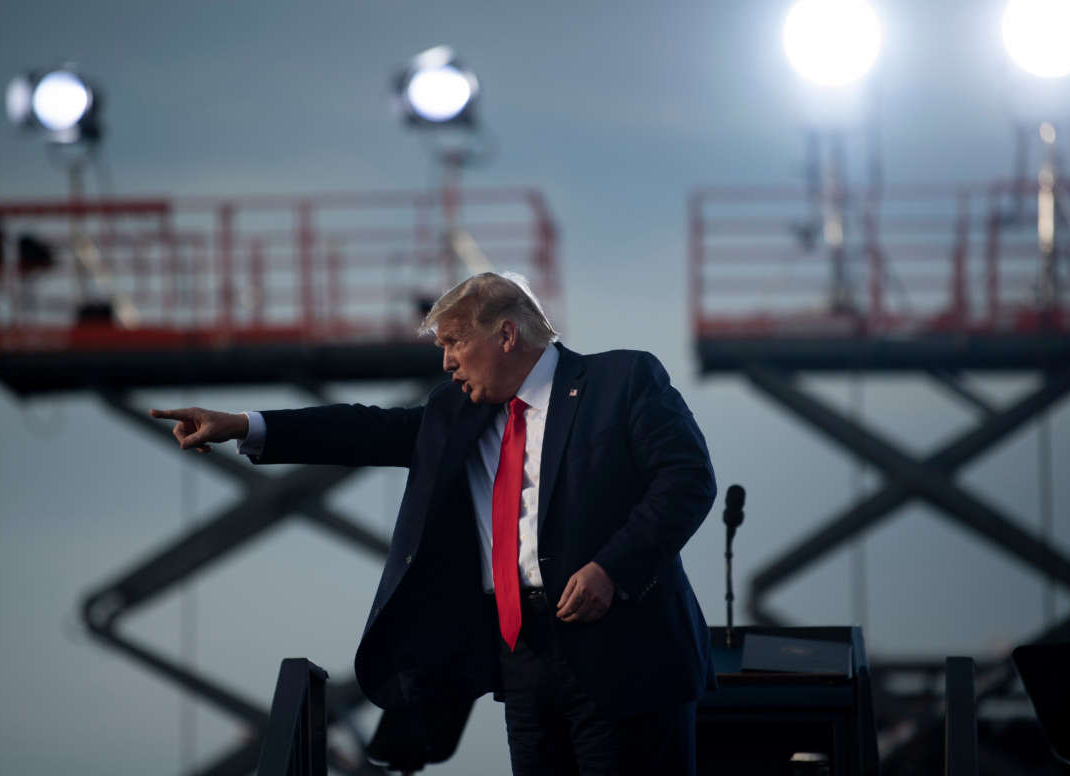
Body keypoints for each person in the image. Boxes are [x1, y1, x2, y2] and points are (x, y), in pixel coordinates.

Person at [150, 272, 717, 775]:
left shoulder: (621, 380)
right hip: (522, 660)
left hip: (626, 652)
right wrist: (244, 426)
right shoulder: (456, 412)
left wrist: (612, 569)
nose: (445, 361)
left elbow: (688, 481)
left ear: (506, 335)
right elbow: (362, 430)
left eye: (453, 342)